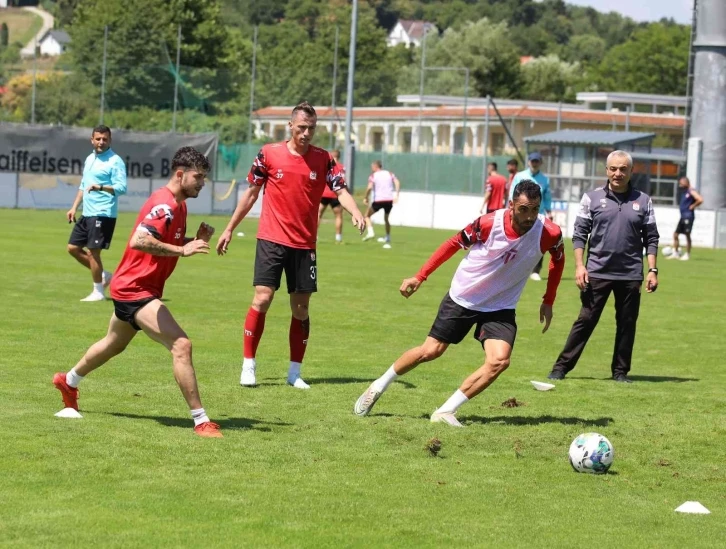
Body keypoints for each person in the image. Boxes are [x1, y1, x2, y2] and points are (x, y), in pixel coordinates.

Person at [354, 181, 565, 427]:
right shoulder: (488, 224)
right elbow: (453, 243)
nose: (529, 216)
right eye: (523, 209)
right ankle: (379, 385)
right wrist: (420, 276)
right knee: (430, 351)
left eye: (534, 209)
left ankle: (445, 411)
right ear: (511, 206)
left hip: (500, 306)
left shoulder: (549, 232)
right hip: (464, 297)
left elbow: (558, 260)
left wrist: (548, 299)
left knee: (499, 361)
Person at [53, 147, 222, 438]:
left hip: (134, 287)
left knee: (112, 345)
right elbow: (140, 240)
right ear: (180, 174)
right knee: (181, 345)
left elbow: (163, 241)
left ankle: (68, 381)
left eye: (204, 178)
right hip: (136, 290)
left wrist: (194, 240)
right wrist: (183, 249)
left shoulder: (179, 206)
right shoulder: (165, 205)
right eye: (198, 177)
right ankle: (201, 421)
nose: (202, 183)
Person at [216, 102, 366, 390]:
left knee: (301, 308)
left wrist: (355, 212)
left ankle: (294, 372)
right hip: (271, 239)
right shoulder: (269, 154)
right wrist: (229, 228)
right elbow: (250, 195)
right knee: (262, 298)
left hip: (304, 245)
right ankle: (249, 365)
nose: (306, 133)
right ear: (290, 126)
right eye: (301, 128)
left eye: (311, 128)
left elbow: (341, 190)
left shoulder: (324, 159)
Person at [547, 150, 660, 384]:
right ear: (606, 170)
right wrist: (580, 266)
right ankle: (561, 368)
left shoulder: (644, 200)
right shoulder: (591, 198)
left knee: (627, 323)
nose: (618, 173)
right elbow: (579, 235)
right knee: (585, 321)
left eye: (623, 169)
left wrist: (652, 269)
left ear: (631, 171)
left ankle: (620, 372)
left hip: (630, 275)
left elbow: (651, 238)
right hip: (597, 272)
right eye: (613, 168)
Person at [66, 125, 127, 301]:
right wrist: (74, 207)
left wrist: (101, 187)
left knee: (93, 252)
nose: (101, 142)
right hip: (87, 212)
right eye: (98, 139)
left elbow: (121, 188)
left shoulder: (115, 161)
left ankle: (98, 292)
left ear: (110, 140)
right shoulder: (89, 159)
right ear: (92, 140)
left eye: (105, 139)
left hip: (103, 213)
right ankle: (104, 276)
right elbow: (83, 186)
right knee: (73, 248)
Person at [509, 152, 552, 281]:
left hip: (538, 214)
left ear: (540, 163)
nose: (534, 163)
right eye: (532, 161)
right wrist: (511, 209)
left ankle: (536, 270)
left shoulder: (545, 180)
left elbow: (547, 197)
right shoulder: (519, 176)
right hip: (520, 214)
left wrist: (549, 211)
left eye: (537, 161)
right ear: (528, 162)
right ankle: (513, 267)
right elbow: (512, 193)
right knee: (517, 240)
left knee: (538, 241)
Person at [362, 160, 400, 249]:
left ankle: (371, 232)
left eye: (372, 167)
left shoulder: (373, 175)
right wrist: (397, 195)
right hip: (389, 199)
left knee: (366, 216)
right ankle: (388, 237)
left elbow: (369, 187)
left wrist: (365, 197)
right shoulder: (389, 173)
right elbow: (397, 182)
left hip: (379, 200)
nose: (371, 169)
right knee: (386, 219)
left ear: (375, 167)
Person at [668, 176, 703, 261]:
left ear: (686, 182)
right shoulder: (685, 192)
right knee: (675, 234)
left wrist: (693, 206)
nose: (680, 185)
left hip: (688, 216)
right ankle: (675, 253)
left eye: (681, 183)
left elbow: (700, 199)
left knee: (687, 235)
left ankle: (687, 254)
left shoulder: (691, 191)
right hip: (683, 216)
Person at [318, 149, 346, 243]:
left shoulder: (326, 165)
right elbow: (342, 181)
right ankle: (338, 238)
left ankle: (314, 236)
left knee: (318, 214)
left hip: (324, 193)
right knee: (338, 216)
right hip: (335, 194)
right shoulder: (341, 167)